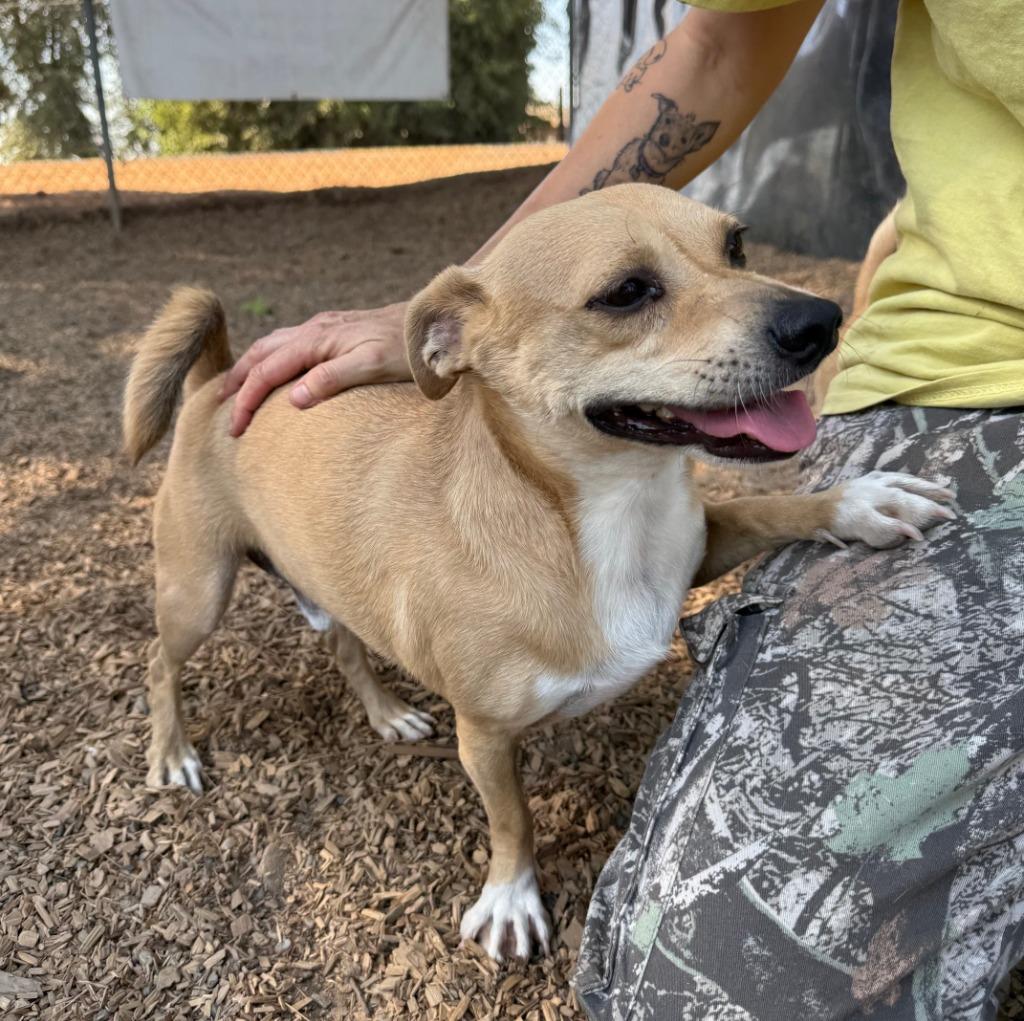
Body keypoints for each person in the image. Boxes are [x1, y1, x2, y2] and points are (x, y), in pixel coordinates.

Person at [221, 2, 1024, 1017]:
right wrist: (512, 858)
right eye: (629, 294)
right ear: (458, 345)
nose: (788, 313)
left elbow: (707, 529)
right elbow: (719, 38)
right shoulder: (472, 566)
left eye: (726, 254)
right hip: (982, 363)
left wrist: (821, 507)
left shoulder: (666, 488)